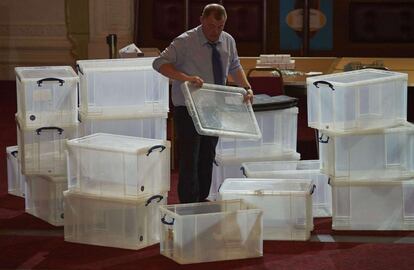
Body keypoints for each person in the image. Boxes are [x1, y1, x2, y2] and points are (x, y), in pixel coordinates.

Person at [153, 3, 253, 203]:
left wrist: (247, 88)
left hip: (215, 107)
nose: (215, 32)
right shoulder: (184, 41)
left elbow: (234, 66)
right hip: (188, 108)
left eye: (220, 27)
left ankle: (202, 198)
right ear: (201, 20)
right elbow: (159, 63)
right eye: (210, 26)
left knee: (208, 155)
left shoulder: (228, 40)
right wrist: (185, 77)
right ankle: (189, 203)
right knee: (191, 157)